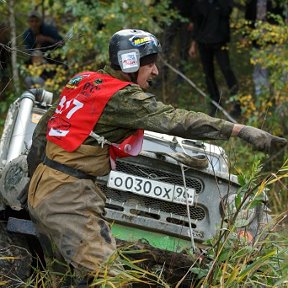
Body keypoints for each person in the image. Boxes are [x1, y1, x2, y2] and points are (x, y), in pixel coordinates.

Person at [27, 28, 287, 287]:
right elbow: (177, 120)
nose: (155, 72)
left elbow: (43, 132)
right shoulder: (122, 97)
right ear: (129, 62)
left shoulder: (83, 82)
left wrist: (34, 182)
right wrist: (237, 129)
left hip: (47, 188)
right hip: (68, 198)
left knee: (64, 278)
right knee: (112, 280)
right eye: (150, 65)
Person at [188, 0, 241, 118]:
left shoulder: (223, 3)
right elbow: (197, 23)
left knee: (226, 70)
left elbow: (228, 11)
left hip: (220, 42)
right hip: (203, 42)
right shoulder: (199, 3)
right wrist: (193, 44)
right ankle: (215, 103)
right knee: (208, 74)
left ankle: (237, 103)